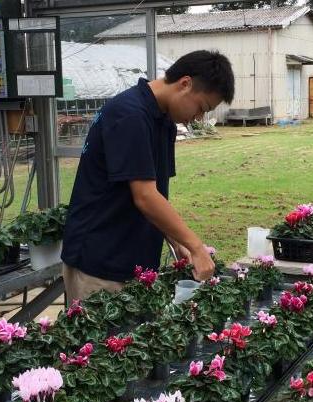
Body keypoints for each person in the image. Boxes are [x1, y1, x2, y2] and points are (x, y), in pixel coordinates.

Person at [61, 50, 235, 301]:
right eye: (201, 107)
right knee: (103, 340)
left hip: (132, 262)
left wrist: (177, 241)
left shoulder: (163, 121)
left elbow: (157, 195)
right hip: (100, 263)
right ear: (185, 84)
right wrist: (196, 247)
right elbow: (144, 196)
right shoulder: (129, 115)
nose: (199, 118)